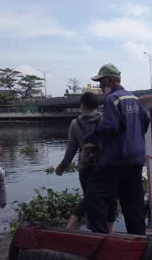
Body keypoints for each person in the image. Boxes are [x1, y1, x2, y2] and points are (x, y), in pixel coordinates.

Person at [84, 64, 150, 235]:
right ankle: (139, 237)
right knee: (132, 201)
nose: (99, 86)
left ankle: (100, 236)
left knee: (95, 192)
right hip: (136, 159)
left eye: (101, 81)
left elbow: (110, 126)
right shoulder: (134, 98)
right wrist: (133, 137)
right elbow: (145, 121)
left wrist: (91, 138)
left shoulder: (112, 99)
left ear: (110, 80)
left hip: (117, 158)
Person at [55, 92, 116, 233]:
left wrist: (62, 166)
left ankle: (71, 226)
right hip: (105, 165)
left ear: (82, 105)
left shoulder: (75, 123)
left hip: (85, 166)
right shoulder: (104, 119)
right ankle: (109, 229)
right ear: (97, 105)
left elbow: (71, 148)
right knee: (111, 196)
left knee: (89, 197)